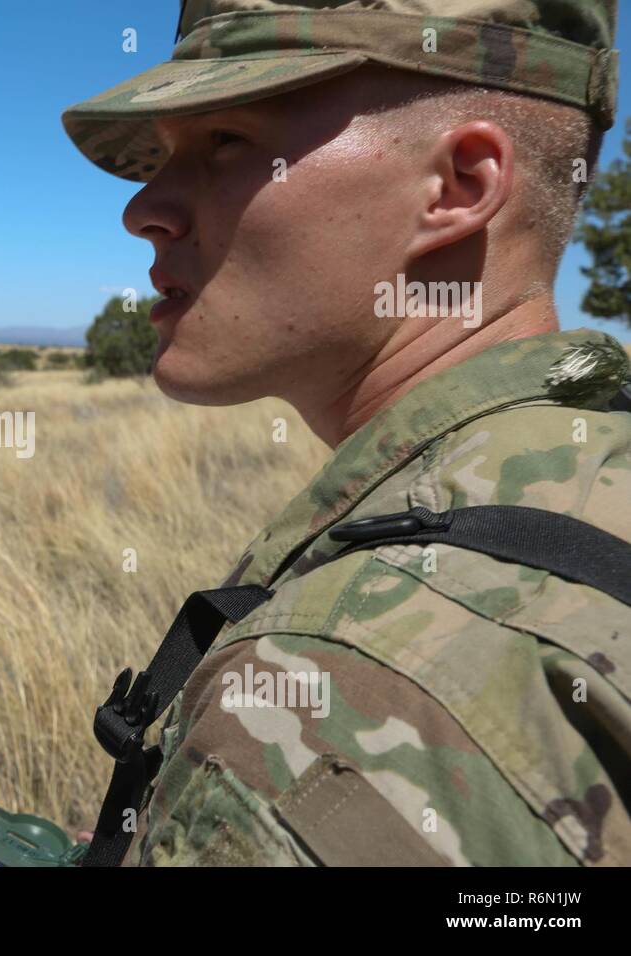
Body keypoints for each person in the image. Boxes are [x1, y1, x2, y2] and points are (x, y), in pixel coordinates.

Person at [61, 0, 630, 865]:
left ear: (459, 187)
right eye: (164, 155)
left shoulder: (325, 701)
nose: (146, 209)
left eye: (226, 143)